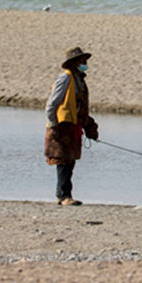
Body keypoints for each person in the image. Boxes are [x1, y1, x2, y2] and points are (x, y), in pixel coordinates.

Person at [44, 46, 99, 205]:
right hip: (61, 125)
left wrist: (88, 125)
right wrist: (53, 125)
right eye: (83, 60)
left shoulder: (78, 79)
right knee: (63, 160)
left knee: (70, 160)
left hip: (71, 125)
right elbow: (52, 104)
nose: (85, 63)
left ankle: (63, 195)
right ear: (75, 62)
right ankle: (63, 196)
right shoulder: (66, 78)